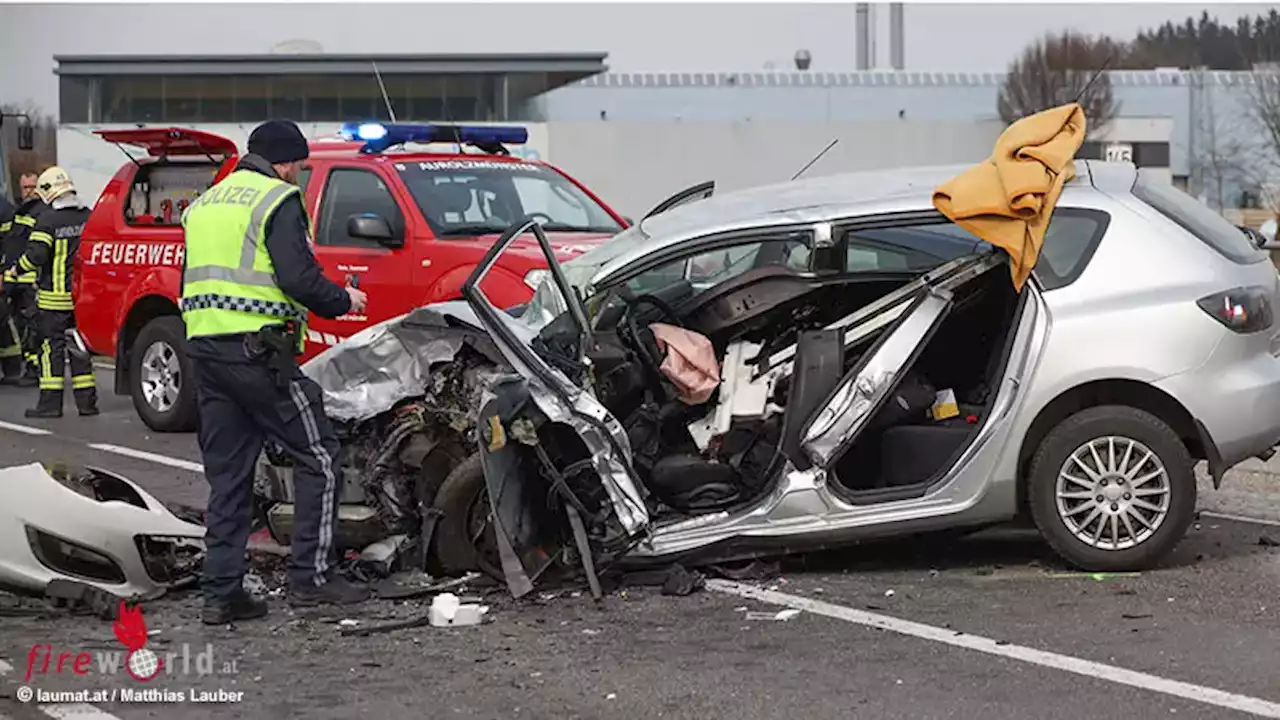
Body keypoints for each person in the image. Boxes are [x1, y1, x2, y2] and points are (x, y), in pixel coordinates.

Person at [180, 119, 370, 625]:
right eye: (300, 167)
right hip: (260, 357)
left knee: (229, 479)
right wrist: (343, 299)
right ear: (285, 162)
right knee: (320, 456)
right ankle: (312, 577)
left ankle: (221, 594)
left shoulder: (206, 204)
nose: (300, 176)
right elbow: (298, 277)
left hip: (207, 354)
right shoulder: (277, 201)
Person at [4, 167, 97, 417]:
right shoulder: (88, 217)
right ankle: (87, 404)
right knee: (79, 348)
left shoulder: (47, 220)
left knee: (50, 350)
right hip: (81, 299)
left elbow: (36, 255)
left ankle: (49, 405)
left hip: (53, 300)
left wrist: (14, 270)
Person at [0, 172, 43, 386]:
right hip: (15, 280)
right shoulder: (18, 212)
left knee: (33, 326)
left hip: (32, 281)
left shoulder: (41, 213)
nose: (30, 191)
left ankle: (35, 370)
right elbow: (10, 246)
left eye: (33, 186)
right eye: (26, 187)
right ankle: (25, 368)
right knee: (19, 324)